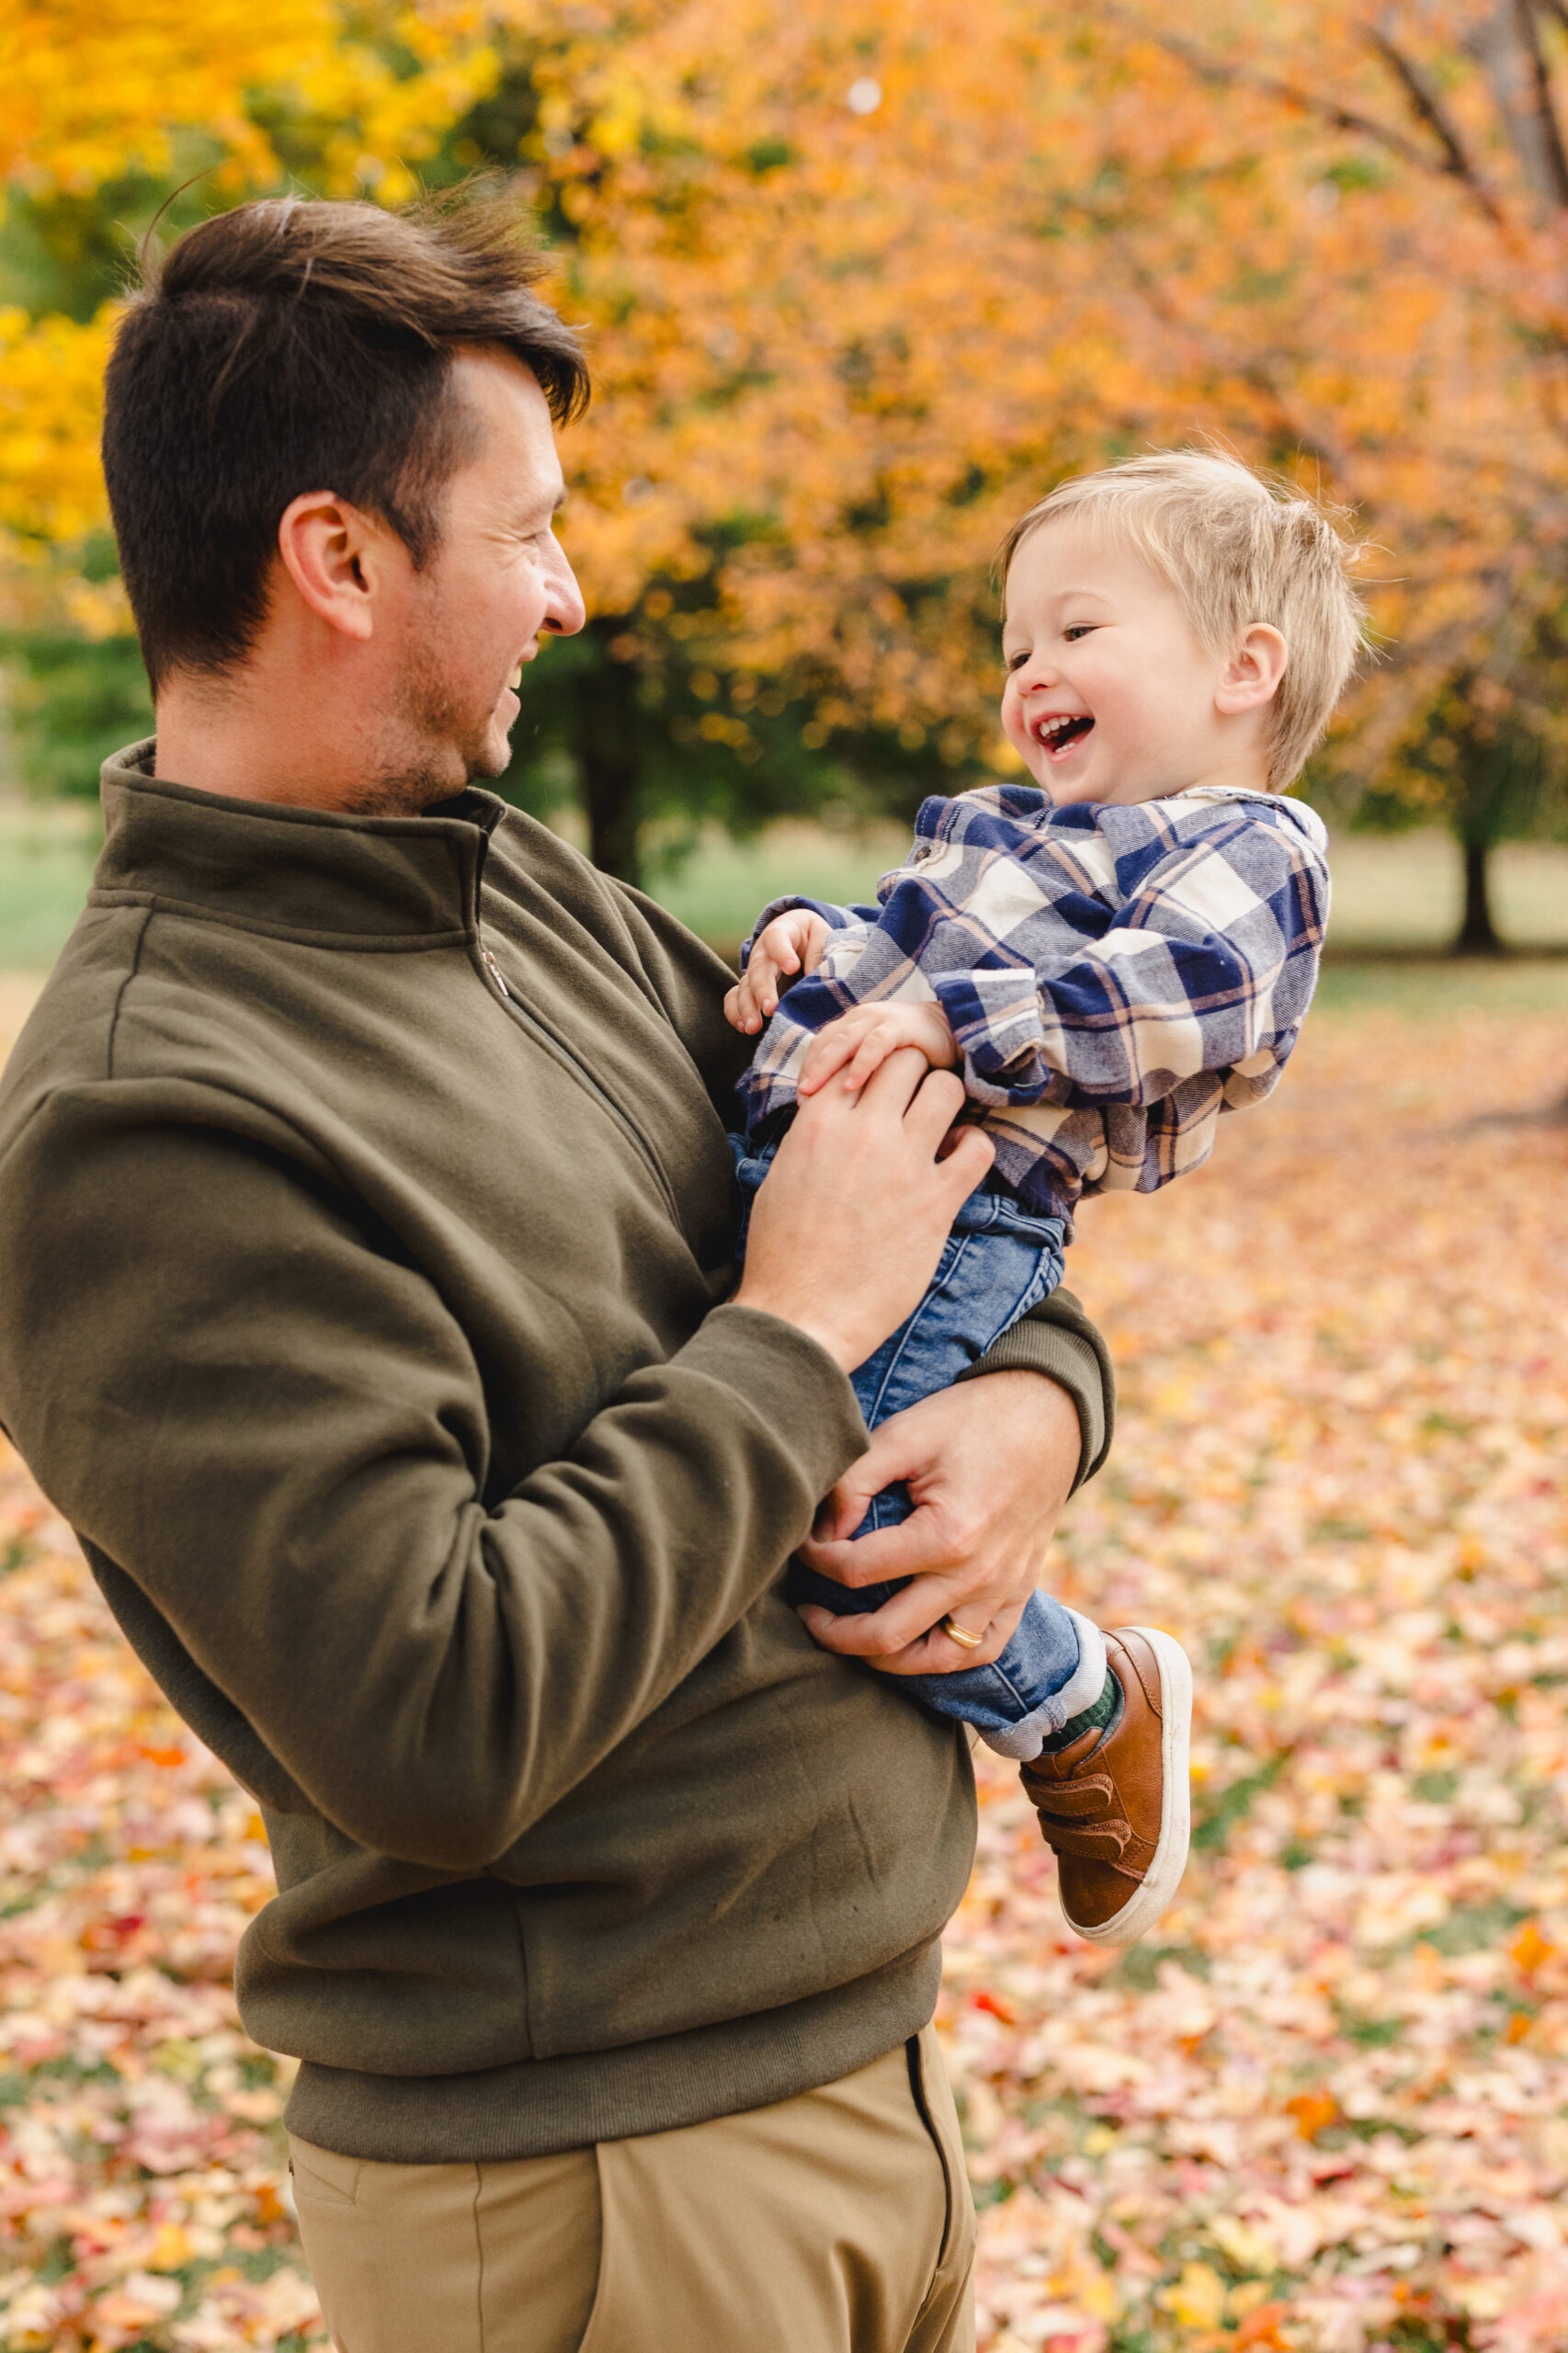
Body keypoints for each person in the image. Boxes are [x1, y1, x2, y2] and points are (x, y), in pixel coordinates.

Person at [0, 192, 1118, 2353]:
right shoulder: (147, 1119)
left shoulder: (518, 889)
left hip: (861, 2075)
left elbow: (910, 1189)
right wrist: (791, 1333)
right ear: (337, 559)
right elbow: (432, 1718)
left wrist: (1038, 1403)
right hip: (591, 2179)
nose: (571, 591)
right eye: (526, 531)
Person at [725, 452, 1361, 1943]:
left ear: (1239, 668)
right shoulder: (1008, 831)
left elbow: (1193, 996)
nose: (1032, 671)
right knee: (755, 1464)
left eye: (1077, 632)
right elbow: (886, 934)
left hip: (959, 1217)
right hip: (809, 1180)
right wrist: (796, 939)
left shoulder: (1246, 852)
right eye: (1016, 646)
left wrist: (958, 1024)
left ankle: (1077, 1699)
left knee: (841, 1528)